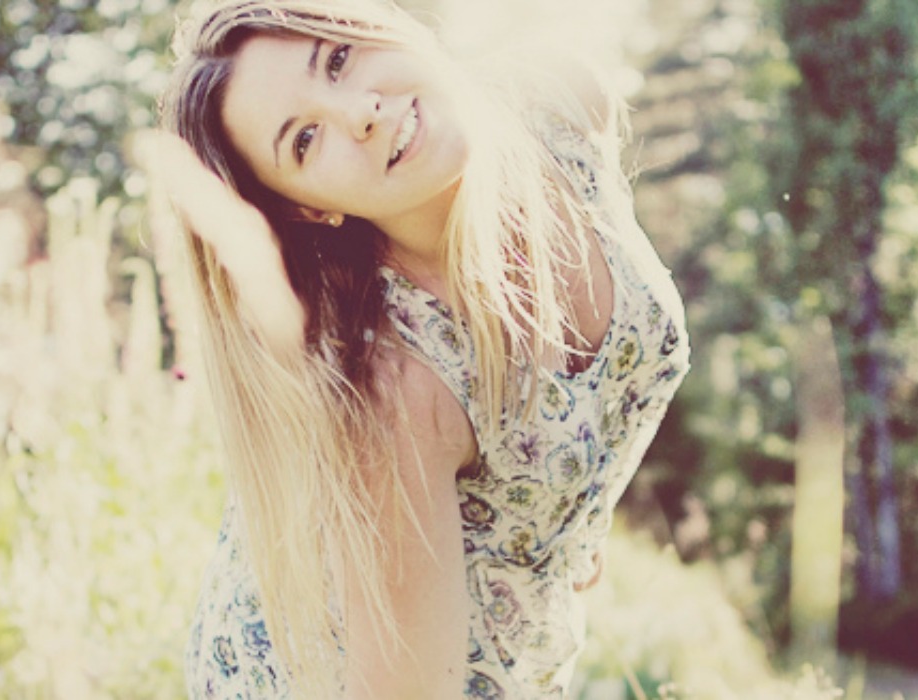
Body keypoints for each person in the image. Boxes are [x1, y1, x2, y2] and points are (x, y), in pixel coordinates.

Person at [133, 0, 690, 696]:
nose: (359, 114)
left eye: (338, 59)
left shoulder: (559, 101)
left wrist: (571, 510)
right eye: (305, 140)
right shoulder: (397, 392)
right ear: (310, 208)